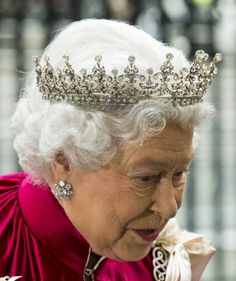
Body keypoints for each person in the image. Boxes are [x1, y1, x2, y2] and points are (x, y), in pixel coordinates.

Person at [0, 19, 222, 281]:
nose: (169, 207)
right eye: (146, 178)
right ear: (65, 163)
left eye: (179, 174)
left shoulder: (166, 261)